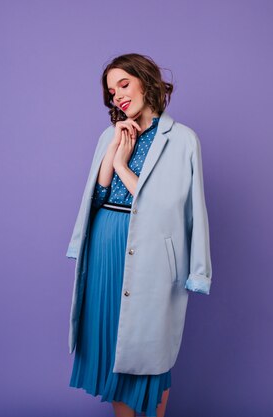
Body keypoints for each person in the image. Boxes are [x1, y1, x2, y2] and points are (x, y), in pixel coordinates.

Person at [66, 53, 213, 417]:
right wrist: (113, 152)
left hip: (151, 251)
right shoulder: (109, 135)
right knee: (116, 351)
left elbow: (171, 209)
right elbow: (97, 198)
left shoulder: (181, 140)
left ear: (146, 81)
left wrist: (121, 166)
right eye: (111, 91)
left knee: (149, 352)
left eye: (124, 84)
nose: (117, 96)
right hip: (106, 244)